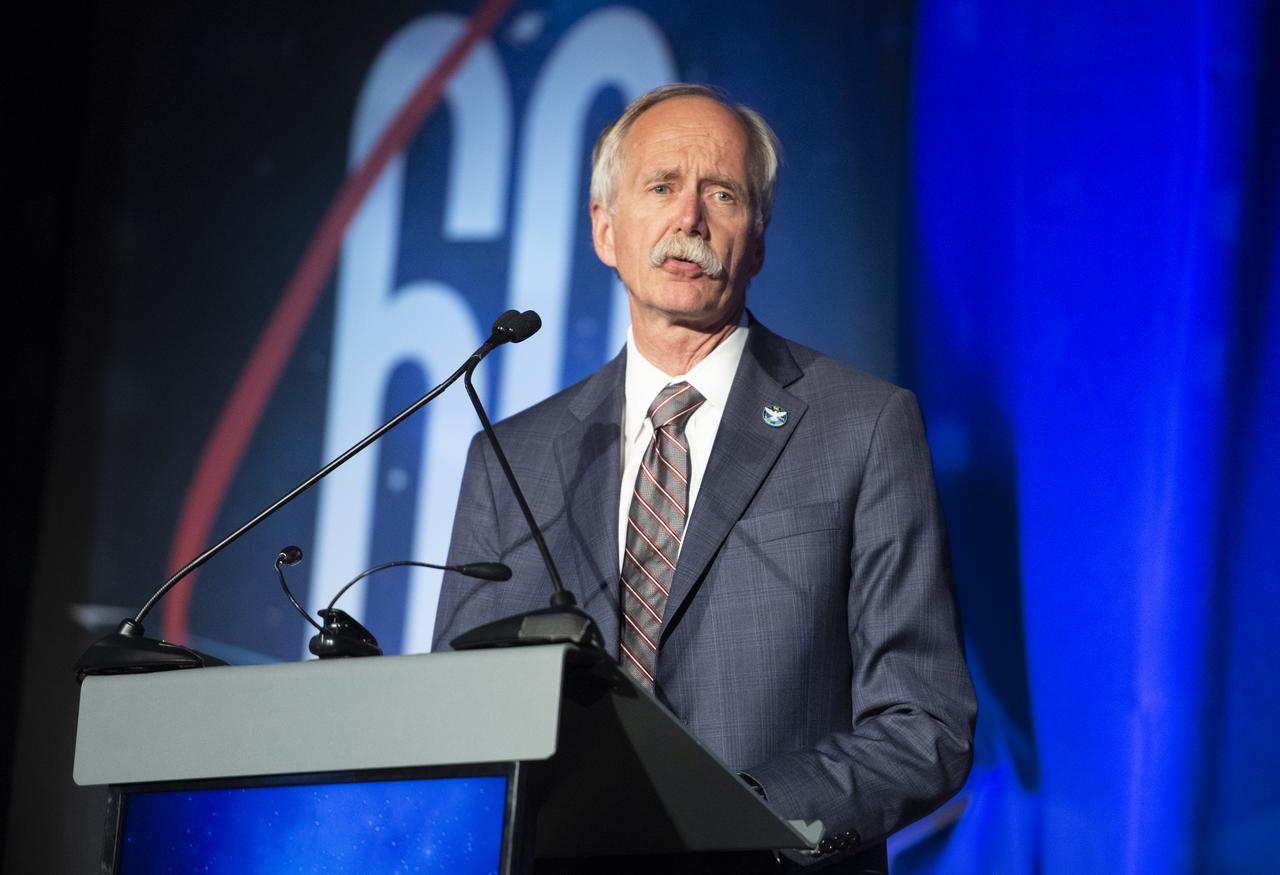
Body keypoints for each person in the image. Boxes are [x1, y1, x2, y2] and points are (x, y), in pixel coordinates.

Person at [433, 83, 975, 873]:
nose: (688, 218)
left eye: (721, 193)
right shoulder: (512, 456)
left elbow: (926, 723)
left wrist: (735, 814)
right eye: (661, 186)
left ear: (756, 240)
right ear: (605, 229)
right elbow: (462, 717)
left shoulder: (863, 427)